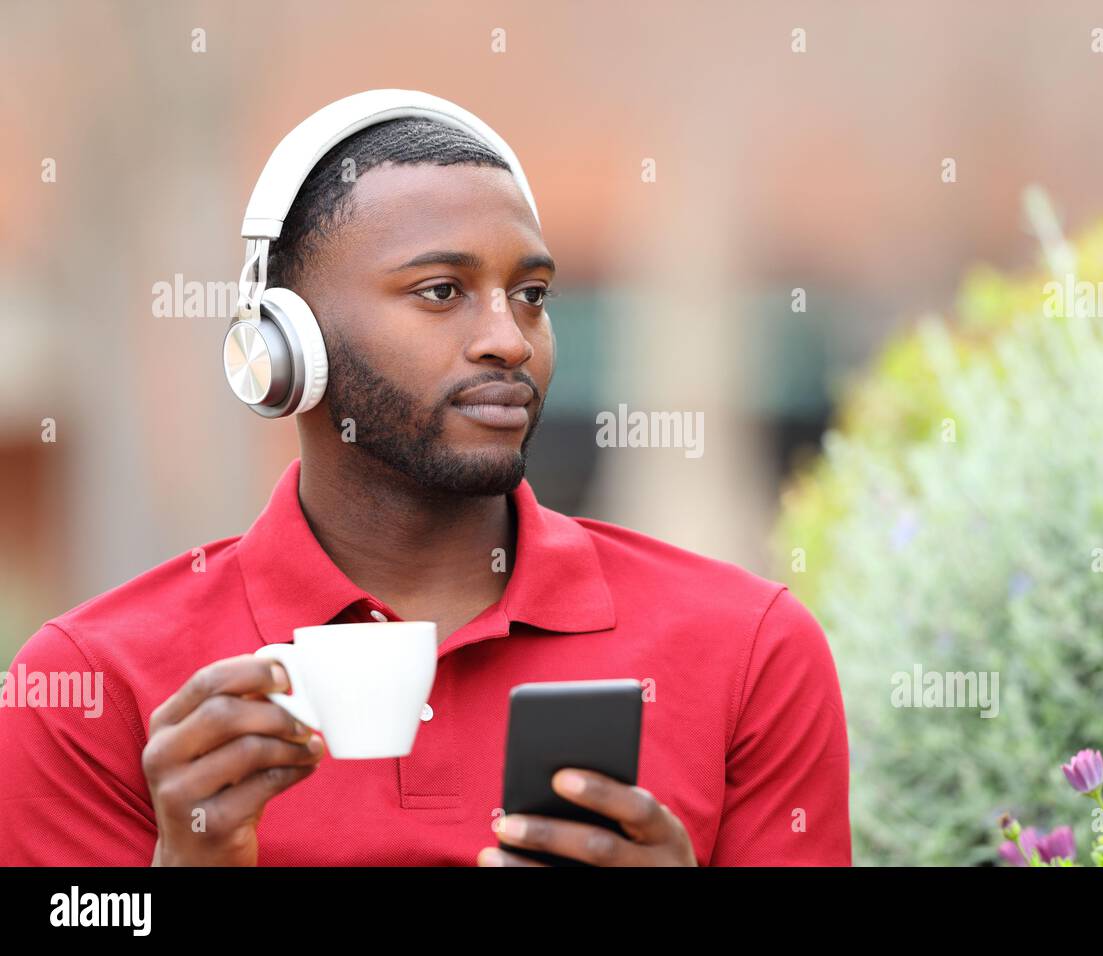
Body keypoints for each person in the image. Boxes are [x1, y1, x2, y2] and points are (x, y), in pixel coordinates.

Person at [0, 96, 851, 866]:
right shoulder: (88, 685)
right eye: (442, 291)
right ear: (284, 343)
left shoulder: (752, 649)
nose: (509, 339)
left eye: (532, 294)